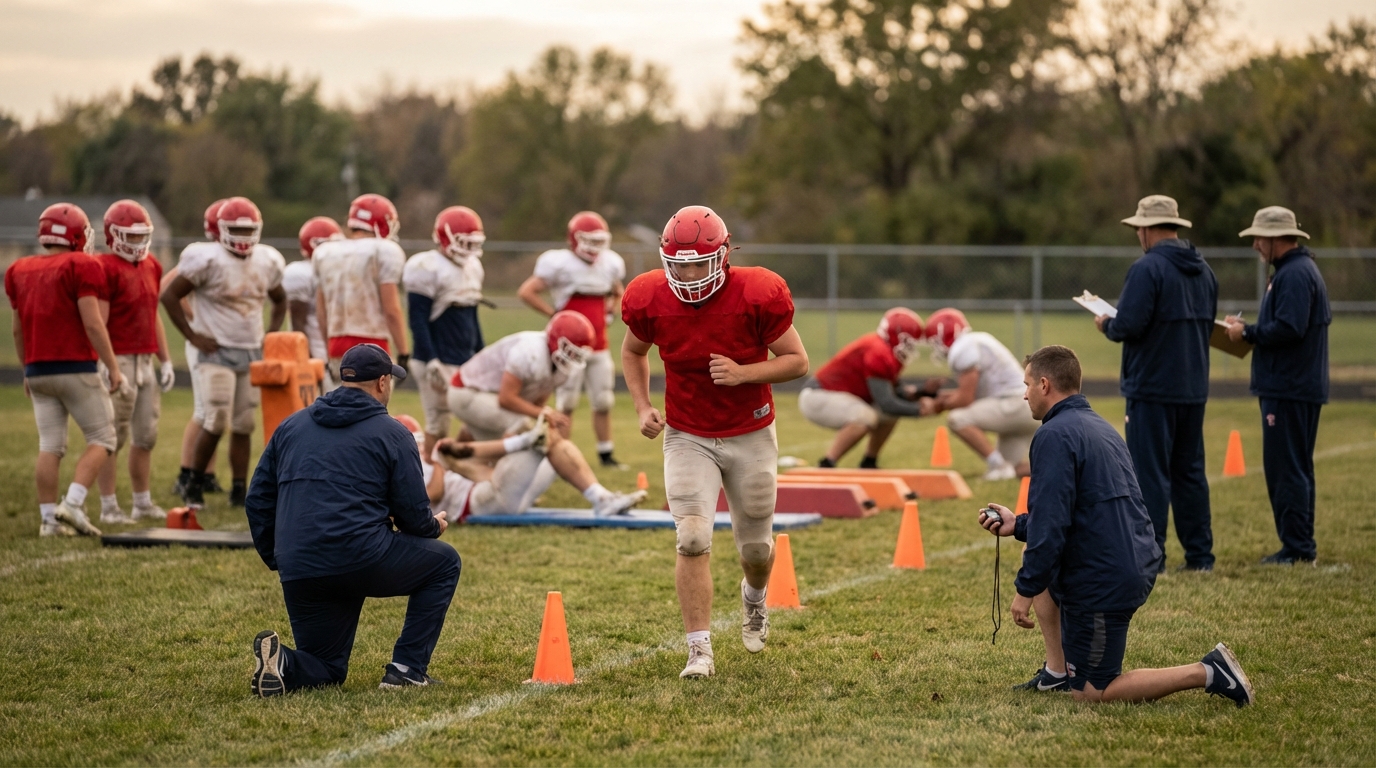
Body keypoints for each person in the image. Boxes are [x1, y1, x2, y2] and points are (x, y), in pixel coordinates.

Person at [981, 344, 1254, 707]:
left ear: (1045, 385)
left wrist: (1024, 592)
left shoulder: (1053, 435)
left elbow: (1052, 527)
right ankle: (1057, 673)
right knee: (1035, 546)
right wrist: (1018, 525)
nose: (1024, 393)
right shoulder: (1098, 426)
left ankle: (1208, 671)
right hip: (1126, 556)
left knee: (1093, 692)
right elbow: (1081, 514)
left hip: (1106, 577)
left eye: (1027, 384)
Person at [622, 205, 808, 679]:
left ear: (723, 258)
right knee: (691, 536)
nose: (687, 274)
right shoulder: (648, 296)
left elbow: (797, 362)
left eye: (697, 264)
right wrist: (643, 406)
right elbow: (632, 350)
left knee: (756, 551)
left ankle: (754, 597)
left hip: (751, 431)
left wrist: (744, 373)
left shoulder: (758, 292)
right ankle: (699, 649)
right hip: (688, 433)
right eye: (678, 264)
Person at [244, 344, 459, 695]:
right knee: (445, 563)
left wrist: (279, 556)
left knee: (327, 668)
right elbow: (414, 518)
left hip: (301, 566)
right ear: (383, 382)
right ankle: (406, 669)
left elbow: (257, 501)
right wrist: (434, 526)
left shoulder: (290, 426)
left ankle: (283, 662)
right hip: (361, 557)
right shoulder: (393, 432)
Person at [1096, 195, 1218, 572]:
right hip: (1193, 386)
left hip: (1151, 387)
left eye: (1138, 229)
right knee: (1190, 472)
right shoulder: (1205, 270)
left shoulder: (1147, 269)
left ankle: (1153, 555)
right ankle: (1200, 557)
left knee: (1149, 474)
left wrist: (1106, 324)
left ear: (1147, 229)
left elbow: (1128, 324)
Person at [5, 203, 123, 537]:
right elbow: (93, 323)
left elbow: (17, 329)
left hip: (38, 369)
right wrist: (113, 366)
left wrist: (26, 368)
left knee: (50, 445)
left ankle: (47, 521)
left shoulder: (19, 269)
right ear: (74, 234)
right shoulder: (81, 264)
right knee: (103, 437)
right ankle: (72, 503)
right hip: (74, 366)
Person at [161, 196, 286, 508]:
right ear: (221, 230)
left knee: (244, 423)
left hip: (250, 351)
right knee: (215, 419)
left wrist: (271, 333)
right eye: (236, 231)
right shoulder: (207, 259)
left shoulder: (266, 260)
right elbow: (169, 295)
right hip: (215, 351)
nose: (243, 238)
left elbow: (280, 298)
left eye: (248, 231)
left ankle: (239, 490)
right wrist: (193, 335)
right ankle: (193, 483)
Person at [1224, 206, 1330, 565]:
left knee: (1287, 469)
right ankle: (1298, 544)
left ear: (1276, 238)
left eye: (1259, 238)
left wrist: (1247, 332)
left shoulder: (1295, 274)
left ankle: (1298, 549)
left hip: (1289, 388)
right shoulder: (1292, 271)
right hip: (1292, 386)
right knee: (1292, 466)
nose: (1255, 244)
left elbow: (1290, 328)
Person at [518, 211, 628, 468]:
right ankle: (560, 454)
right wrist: (553, 314)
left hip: (599, 345)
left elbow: (618, 291)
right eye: (589, 240)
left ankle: (605, 453)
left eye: (598, 240)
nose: (594, 247)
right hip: (567, 349)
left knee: (603, 400)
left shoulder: (609, 264)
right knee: (566, 403)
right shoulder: (560, 263)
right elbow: (527, 291)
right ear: (574, 239)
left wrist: (613, 306)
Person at [397, 413, 645, 521]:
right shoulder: (408, 466)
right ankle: (523, 440)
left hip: (496, 494)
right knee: (542, 440)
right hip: (478, 504)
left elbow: (471, 456)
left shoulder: (424, 458)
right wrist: (439, 464)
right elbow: (433, 494)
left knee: (555, 444)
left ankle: (601, 497)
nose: (420, 446)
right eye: (416, 440)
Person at [93, 200, 175, 524]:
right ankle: (109, 506)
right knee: (113, 437)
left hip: (145, 361)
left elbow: (152, 314)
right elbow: (98, 320)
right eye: (131, 236)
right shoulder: (103, 266)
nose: (138, 243)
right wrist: (106, 362)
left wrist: (165, 359)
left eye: (142, 236)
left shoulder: (152, 265)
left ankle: (142, 502)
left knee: (146, 435)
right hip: (120, 360)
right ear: (113, 235)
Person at [403, 206, 486, 458]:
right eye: (464, 243)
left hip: (464, 357)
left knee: (474, 419)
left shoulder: (473, 267)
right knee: (438, 423)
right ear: (446, 238)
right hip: (436, 357)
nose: (469, 250)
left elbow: (472, 315)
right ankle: (430, 473)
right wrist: (430, 359)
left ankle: (452, 468)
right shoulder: (427, 266)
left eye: (473, 243)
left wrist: (481, 355)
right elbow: (417, 319)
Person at [798, 308, 929, 468]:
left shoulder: (886, 351)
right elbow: (886, 402)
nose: (911, 346)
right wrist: (920, 410)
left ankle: (869, 462)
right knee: (864, 416)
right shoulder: (878, 351)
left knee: (889, 415)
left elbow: (893, 393)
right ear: (897, 335)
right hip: (818, 396)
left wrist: (921, 392)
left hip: (836, 396)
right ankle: (827, 464)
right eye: (909, 341)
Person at [920, 308, 1040, 480]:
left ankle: (998, 465)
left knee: (958, 418)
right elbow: (972, 392)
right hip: (1026, 407)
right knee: (1010, 472)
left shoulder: (962, 348)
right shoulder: (976, 339)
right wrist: (941, 398)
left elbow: (965, 398)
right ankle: (1051, 470)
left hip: (1014, 405)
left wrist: (937, 406)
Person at [446, 311, 594, 442]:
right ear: (556, 339)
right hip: (465, 390)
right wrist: (544, 413)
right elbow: (506, 399)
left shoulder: (561, 367)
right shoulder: (529, 352)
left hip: (488, 395)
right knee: (520, 430)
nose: (572, 357)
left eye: (577, 354)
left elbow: (535, 403)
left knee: (486, 453)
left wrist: (544, 418)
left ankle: (452, 456)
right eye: (569, 350)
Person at [313, 193, 410, 377]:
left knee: (343, 404)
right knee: (372, 405)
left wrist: (328, 347)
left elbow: (321, 311)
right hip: (374, 343)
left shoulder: (326, 252)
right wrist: (403, 351)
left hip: (336, 344)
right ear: (380, 223)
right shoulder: (383, 250)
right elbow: (391, 310)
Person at [169, 199, 227, 498]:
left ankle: (206, 473)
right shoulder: (204, 256)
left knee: (216, 413)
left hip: (221, 345)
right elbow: (167, 288)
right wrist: (195, 320)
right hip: (203, 343)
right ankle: (186, 472)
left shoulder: (226, 257)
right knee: (205, 411)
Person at [283, 216, 343, 392]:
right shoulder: (301, 273)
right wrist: (307, 359)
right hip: (316, 354)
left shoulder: (340, 269)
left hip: (336, 351)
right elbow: (297, 323)